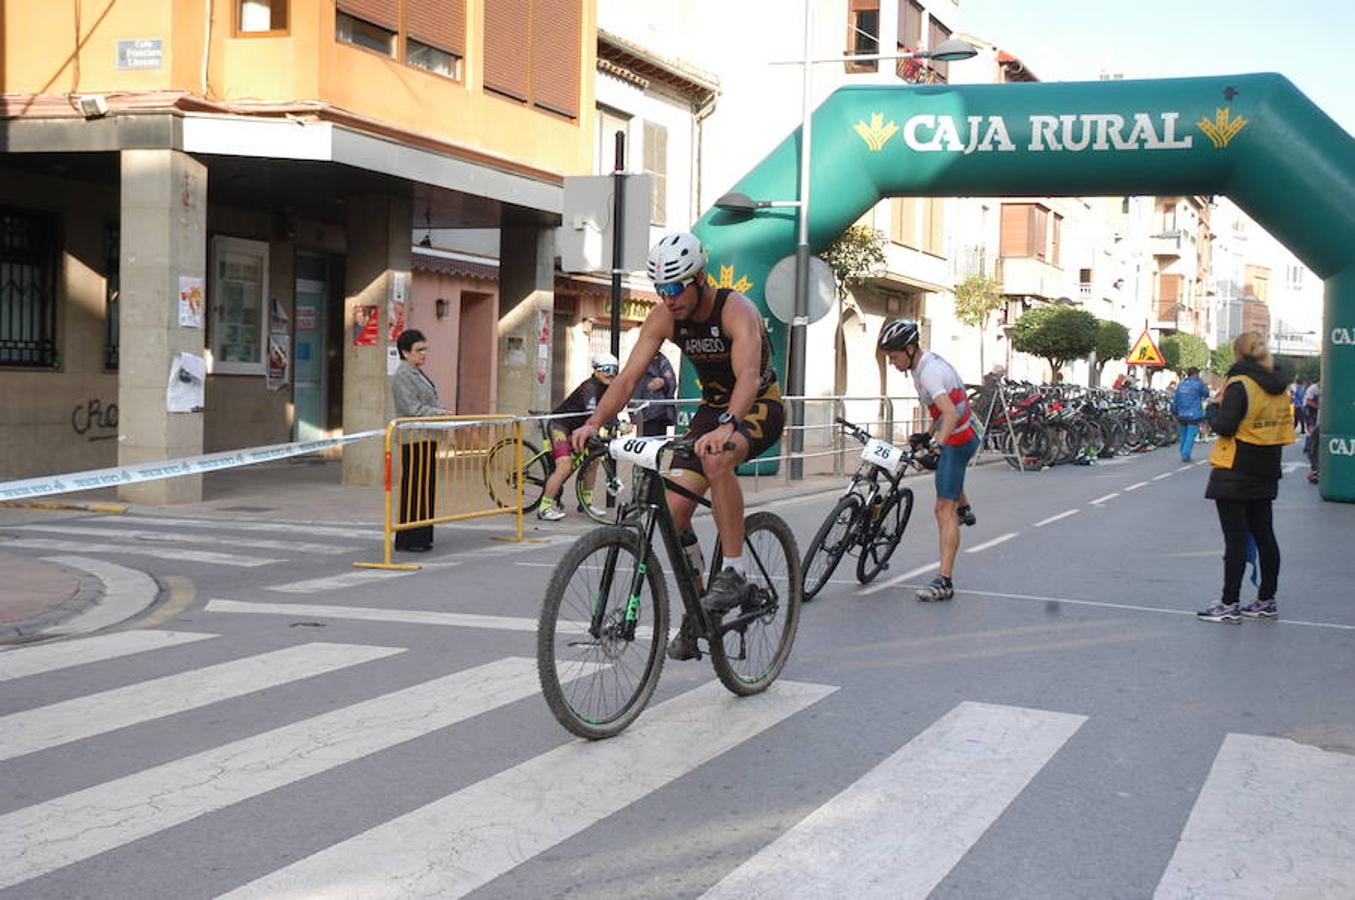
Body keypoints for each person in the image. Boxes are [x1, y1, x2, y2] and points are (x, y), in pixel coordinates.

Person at [570, 231, 784, 659]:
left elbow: (746, 377)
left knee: (719, 457)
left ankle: (737, 571)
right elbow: (628, 378)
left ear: (699, 278)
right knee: (674, 510)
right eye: (660, 289)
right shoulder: (664, 317)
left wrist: (728, 425)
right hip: (711, 410)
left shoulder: (736, 309)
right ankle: (700, 607)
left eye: (675, 287)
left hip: (757, 405)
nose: (668, 298)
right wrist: (594, 422)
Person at [879, 319, 980, 603]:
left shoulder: (929, 374)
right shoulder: (922, 365)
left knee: (942, 510)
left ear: (910, 349)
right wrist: (927, 434)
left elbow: (949, 414)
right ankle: (966, 508)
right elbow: (940, 412)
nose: (892, 362)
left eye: (895, 356)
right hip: (963, 431)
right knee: (950, 481)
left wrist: (937, 446)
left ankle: (945, 582)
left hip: (959, 440)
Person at [1196, 332, 1294, 623]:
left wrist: (1213, 409)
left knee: (1235, 540)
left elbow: (1225, 426)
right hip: (1266, 469)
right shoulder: (1280, 387)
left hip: (1235, 469)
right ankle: (1266, 600)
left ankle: (1229, 603)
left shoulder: (1240, 384)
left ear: (1239, 354)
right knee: (1265, 536)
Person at [537, 352, 619, 521]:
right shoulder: (590, 387)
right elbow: (592, 412)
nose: (611, 373)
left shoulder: (610, 389)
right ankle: (544, 508)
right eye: (606, 369)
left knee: (593, 462)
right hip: (561, 426)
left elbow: (610, 410)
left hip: (580, 429)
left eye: (614, 370)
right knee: (564, 466)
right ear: (596, 371)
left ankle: (586, 504)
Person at [390, 329, 446, 552]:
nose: (423, 354)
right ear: (405, 352)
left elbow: (428, 402)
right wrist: (439, 413)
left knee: (425, 485)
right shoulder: (404, 375)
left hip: (427, 436)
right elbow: (411, 408)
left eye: (425, 349)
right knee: (415, 486)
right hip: (414, 438)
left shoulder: (418, 373)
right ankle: (410, 537)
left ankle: (422, 535)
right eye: (418, 350)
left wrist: (441, 411)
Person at [632, 350, 678, 437]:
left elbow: (672, 382)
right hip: (644, 410)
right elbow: (632, 384)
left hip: (661, 412)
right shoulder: (638, 359)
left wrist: (664, 382)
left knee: (658, 440)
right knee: (645, 441)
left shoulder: (662, 360)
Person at [1172, 366, 1210, 462]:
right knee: (1190, 435)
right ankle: (1185, 455)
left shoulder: (1181, 384)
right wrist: (1203, 383)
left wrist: (1174, 411)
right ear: (1196, 374)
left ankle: (1183, 453)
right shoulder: (1198, 384)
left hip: (1181, 413)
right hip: (1193, 414)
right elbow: (1206, 394)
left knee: (1183, 434)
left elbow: (1176, 399)